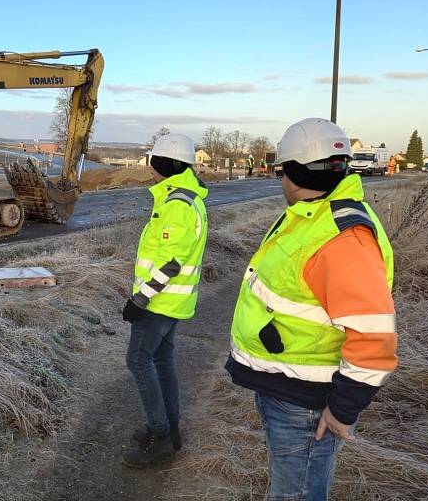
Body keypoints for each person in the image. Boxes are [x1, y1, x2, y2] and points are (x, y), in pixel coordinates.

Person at [225, 118, 397, 500]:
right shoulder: (311, 217)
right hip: (287, 388)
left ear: (291, 172)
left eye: (281, 172)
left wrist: (343, 409)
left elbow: (374, 336)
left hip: (306, 406)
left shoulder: (340, 236)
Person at [122, 133, 209, 468]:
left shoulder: (177, 205)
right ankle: (169, 429)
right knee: (161, 360)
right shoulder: (183, 197)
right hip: (171, 302)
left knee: (138, 360)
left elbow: (170, 263)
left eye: (155, 162)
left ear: (168, 164)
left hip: (159, 303)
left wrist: (139, 300)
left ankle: (161, 437)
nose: (151, 169)